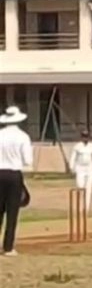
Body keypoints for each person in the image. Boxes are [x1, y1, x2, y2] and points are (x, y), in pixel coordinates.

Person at [0, 106, 33, 256]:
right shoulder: (22, 137)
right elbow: (27, 160)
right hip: (14, 174)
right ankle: (8, 247)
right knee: (12, 212)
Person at [68, 130, 92, 212]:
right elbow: (73, 157)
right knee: (80, 187)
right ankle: (80, 205)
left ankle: (86, 208)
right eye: (84, 136)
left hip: (89, 169)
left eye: (86, 137)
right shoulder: (77, 147)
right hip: (80, 169)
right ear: (81, 137)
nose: (85, 138)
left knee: (88, 189)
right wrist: (71, 167)